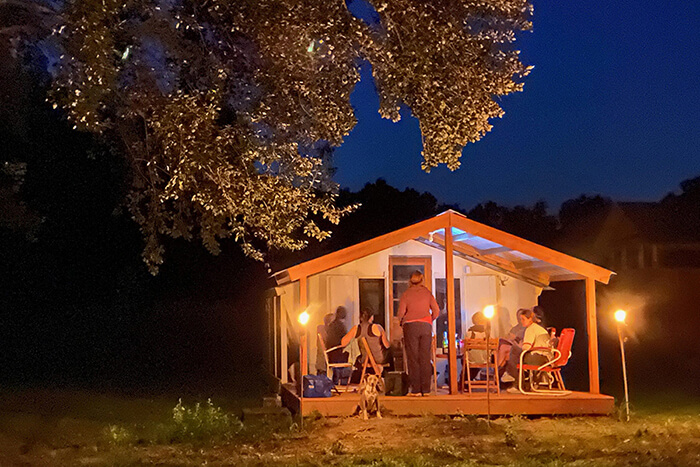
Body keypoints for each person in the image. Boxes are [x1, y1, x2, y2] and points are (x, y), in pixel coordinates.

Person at [397, 270, 440, 396]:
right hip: (425, 326)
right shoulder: (427, 293)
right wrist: (429, 320)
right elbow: (436, 311)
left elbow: (401, 313)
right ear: (422, 280)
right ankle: (426, 389)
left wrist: (402, 321)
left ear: (410, 281)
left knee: (413, 358)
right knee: (425, 357)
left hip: (410, 327)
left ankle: (416, 390)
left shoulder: (406, 294)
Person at [503, 308, 553, 391]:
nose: (521, 321)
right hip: (547, 357)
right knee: (514, 354)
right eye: (520, 319)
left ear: (530, 319)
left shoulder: (530, 329)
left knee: (514, 352)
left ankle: (518, 384)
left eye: (523, 319)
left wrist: (519, 345)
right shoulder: (538, 328)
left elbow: (526, 347)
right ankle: (520, 382)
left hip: (538, 357)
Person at [341, 307, 391, 373]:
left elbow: (343, 343)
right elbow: (387, 345)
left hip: (364, 359)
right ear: (371, 317)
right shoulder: (377, 327)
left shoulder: (356, 328)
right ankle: (390, 374)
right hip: (378, 359)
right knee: (391, 351)